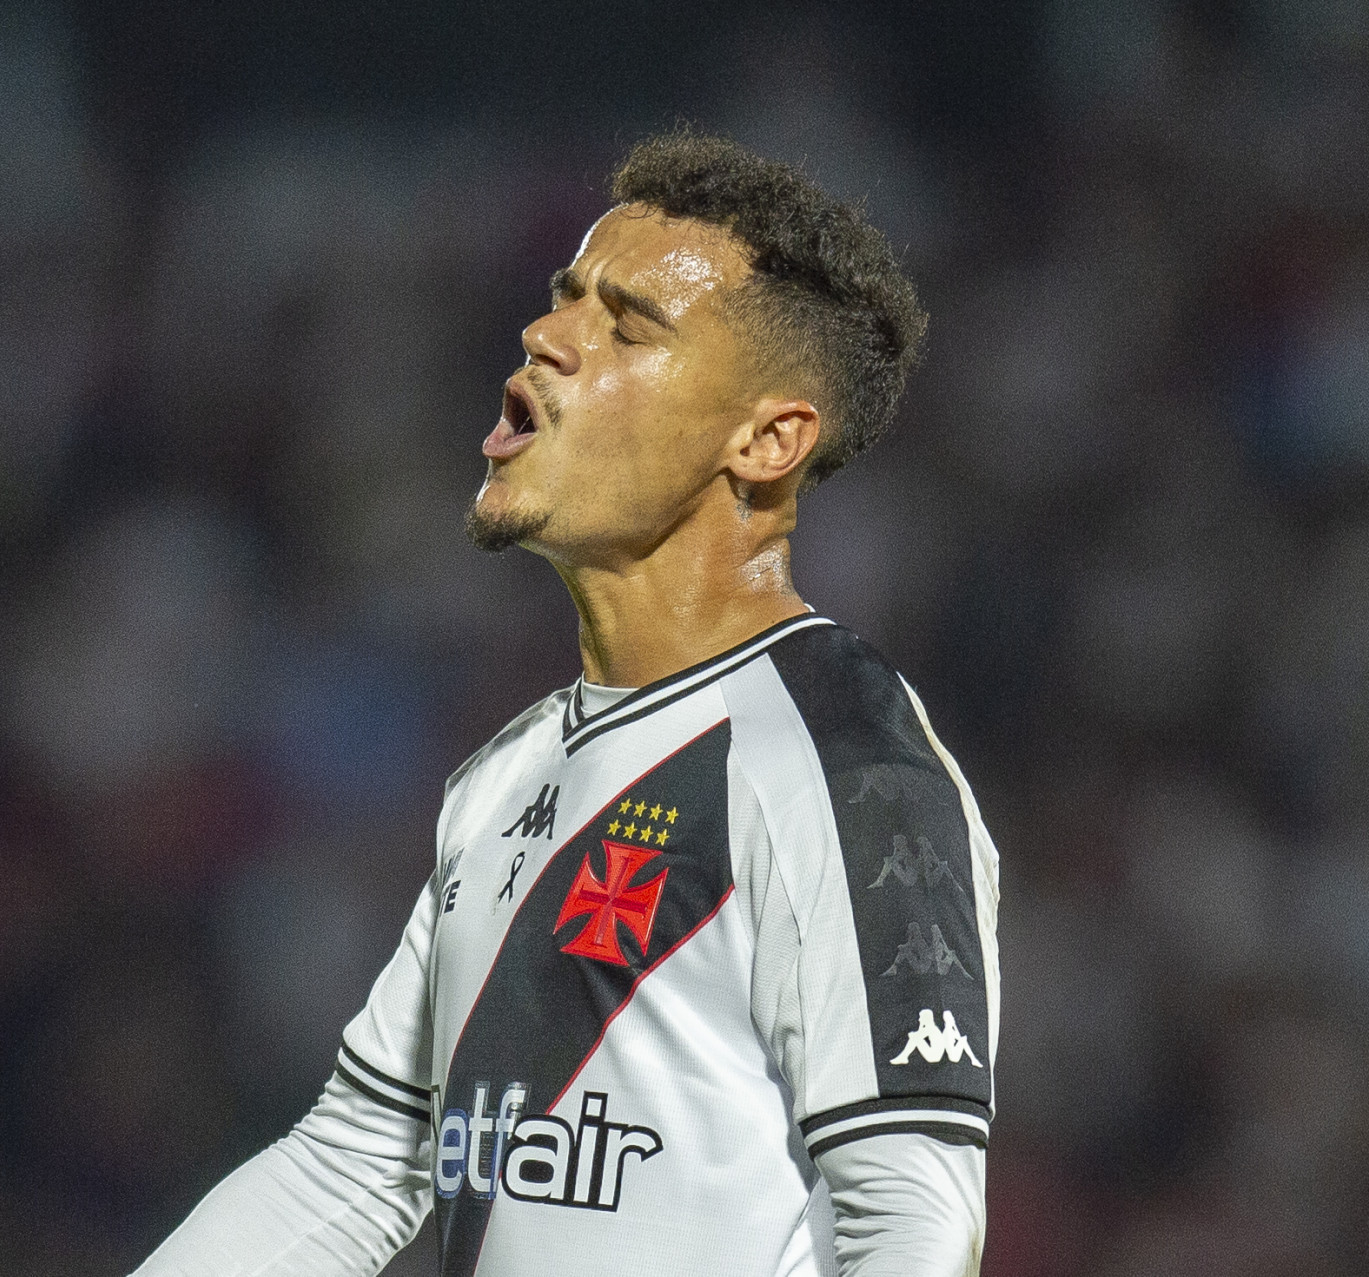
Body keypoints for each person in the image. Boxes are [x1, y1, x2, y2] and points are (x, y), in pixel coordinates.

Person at [133, 131, 998, 1277]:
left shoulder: (843, 762)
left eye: (628, 323)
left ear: (768, 438)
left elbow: (912, 1219)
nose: (548, 335)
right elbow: (357, 1158)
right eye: (564, 297)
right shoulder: (503, 776)